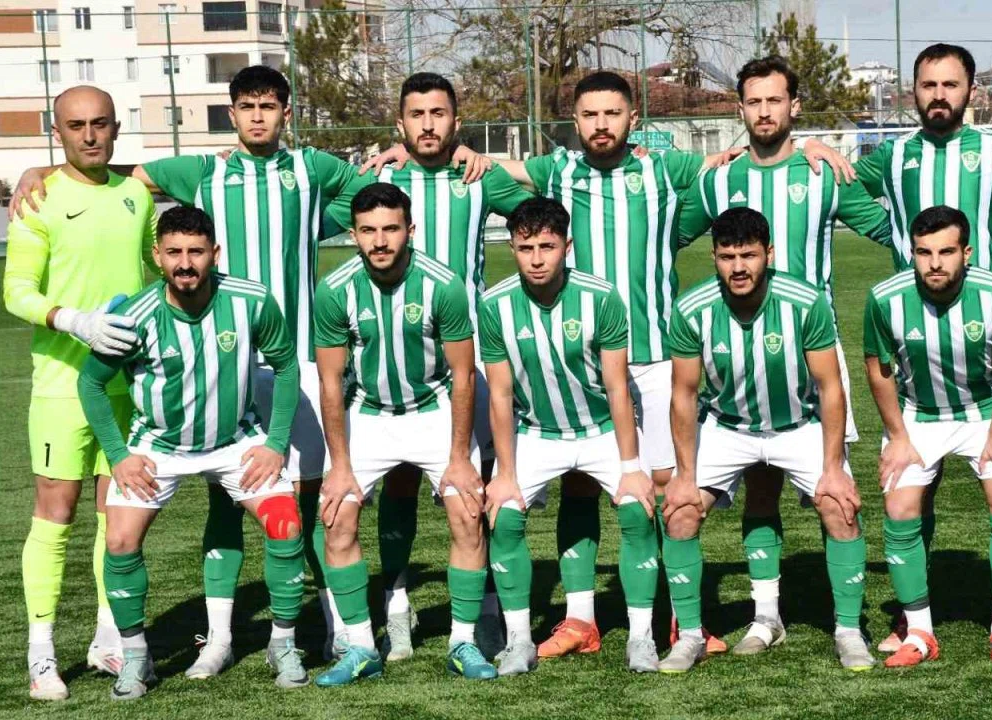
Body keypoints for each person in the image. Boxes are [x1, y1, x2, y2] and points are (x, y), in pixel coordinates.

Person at [363, 72, 835, 655]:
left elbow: (742, 159)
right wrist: (432, 150)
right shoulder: (558, 170)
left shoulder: (667, 169)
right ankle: (580, 619)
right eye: (590, 114)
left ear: (634, 119)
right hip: (579, 356)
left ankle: (676, 618)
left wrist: (811, 146)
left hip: (654, 355)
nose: (602, 124)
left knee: (663, 489)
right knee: (579, 484)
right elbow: (498, 172)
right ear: (575, 122)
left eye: (613, 113)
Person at [11, 65, 373, 669]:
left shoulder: (313, 168)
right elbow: (113, 171)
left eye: (269, 106)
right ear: (232, 114)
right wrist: (42, 171)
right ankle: (220, 639)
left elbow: (370, 192)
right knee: (222, 503)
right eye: (247, 106)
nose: (258, 116)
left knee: (308, 502)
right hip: (219, 362)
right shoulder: (203, 170)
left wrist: (394, 154)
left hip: (296, 360)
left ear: (286, 113)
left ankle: (336, 627)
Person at [814, 43, 992, 652]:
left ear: (971, 90)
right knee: (913, 474)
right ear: (913, 92)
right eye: (928, 85)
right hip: (915, 330)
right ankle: (913, 611)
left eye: (951, 84)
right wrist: (885, 227)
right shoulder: (893, 155)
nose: (939, 95)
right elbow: (842, 188)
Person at [675, 55, 891, 654]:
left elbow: (890, 230)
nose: (764, 111)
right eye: (754, 101)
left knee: (835, 495)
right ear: (740, 108)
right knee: (760, 488)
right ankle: (765, 617)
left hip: (810, 353)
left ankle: (848, 627)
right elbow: (665, 231)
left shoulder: (823, 172)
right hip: (736, 351)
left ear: (794, 106)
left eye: (775, 100)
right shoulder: (718, 179)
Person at [324, 73, 532, 659]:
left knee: (475, 481)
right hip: (392, 353)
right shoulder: (382, 178)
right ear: (400, 124)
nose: (428, 124)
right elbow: (321, 212)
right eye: (416, 115)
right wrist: (367, 167)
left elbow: (543, 216)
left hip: (468, 355)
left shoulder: (477, 176)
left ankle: (485, 609)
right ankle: (396, 603)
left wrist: (498, 164)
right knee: (398, 481)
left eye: (438, 113)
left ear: (456, 121)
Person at [78, 206, 306, 699]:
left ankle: (283, 644)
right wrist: (118, 455)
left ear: (214, 254)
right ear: (157, 255)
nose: (185, 263)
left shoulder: (251, 301)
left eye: (196, 252)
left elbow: (287, 367)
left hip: (236, 441)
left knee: (286, 525)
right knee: (119, 540)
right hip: (157, 446)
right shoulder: (133, 316)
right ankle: (136, 658)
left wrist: (275, 443)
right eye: (174, 252)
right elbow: (90, 384)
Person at [659, 207, 870, 673]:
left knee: (839, 505)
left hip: (799, 424)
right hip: (728, 426)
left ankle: (849, 631)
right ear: (714, 257)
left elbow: (830, 387)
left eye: (748, 256)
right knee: (680, 512)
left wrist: (833, 468)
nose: (738, 267)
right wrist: (684, 475)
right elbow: (684, 394)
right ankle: (692, 635)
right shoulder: (692, 309)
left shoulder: (805, 301)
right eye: (727, 256)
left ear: (768, 254)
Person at [2, 85, 156, 700]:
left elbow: (158, 269)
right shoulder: (38, 198)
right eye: (75, 125)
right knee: (55, 514)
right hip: (62, 389)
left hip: (127, 389)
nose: (89, 135)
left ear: (116, 128)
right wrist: (75, 321)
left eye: (100, 124)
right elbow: (16, 290)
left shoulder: (137, 195)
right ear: (57, 131)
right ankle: (40, 652)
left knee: (115, 517)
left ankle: (108, 638)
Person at [312, 182, 495, 684]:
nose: (379, 241)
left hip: (432, 409)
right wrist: (340, 465)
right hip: (368, 413)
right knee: (337, 517)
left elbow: (464, 375)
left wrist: (459, 457)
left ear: (409, 230)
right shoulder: (334, 290)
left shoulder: (444, 284)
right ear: (353, 234)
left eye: (390, 229)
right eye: (368, 230)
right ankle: (360, 646)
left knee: (467, 513)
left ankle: (462, 641)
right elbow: (330, 381)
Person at [480, 197, 660, 675]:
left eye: (547, 246)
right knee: (504, 516)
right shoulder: (495, 304)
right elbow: (500, 394)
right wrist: (506, 474)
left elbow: (618, 386)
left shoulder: (602, 298)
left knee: (637, 510)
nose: (536, 259)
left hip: (602, 429)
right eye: (525, 248)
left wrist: (630, 468)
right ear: (512, 249)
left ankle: (641, 637)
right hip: (537, 431)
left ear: (567, 246)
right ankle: (519, 641)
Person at [864, 205, 992, 669]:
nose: (934, 263)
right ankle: (919, 632)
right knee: (900, 505)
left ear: (966, 252)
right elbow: (878, 370)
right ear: (912, 253)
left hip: (984, 410)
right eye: (924, 253)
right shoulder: (884, 298)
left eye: (946, 252)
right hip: (918, 414)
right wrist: (898, 437)